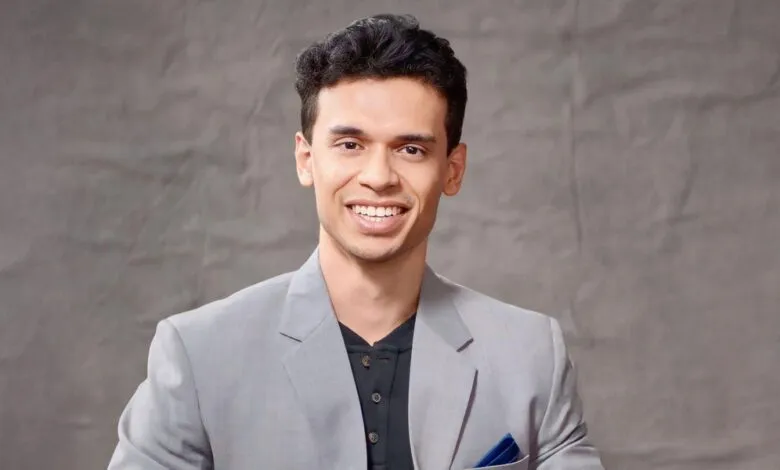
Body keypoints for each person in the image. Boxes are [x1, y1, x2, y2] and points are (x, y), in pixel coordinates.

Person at [108, 13, 605, 470]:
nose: (378, 177)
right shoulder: (198, 355)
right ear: (306, 159)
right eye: (350, 145)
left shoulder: (531, 355)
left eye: (410, 149)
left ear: (452, 170)